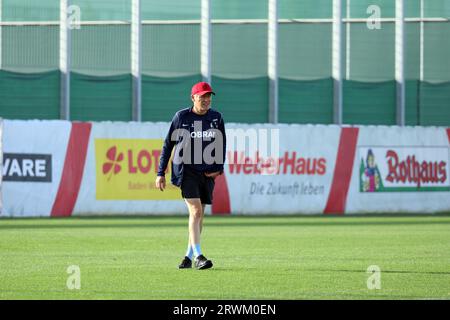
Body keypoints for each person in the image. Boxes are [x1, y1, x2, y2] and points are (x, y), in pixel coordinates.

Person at [155, 82, 226, 270]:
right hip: (186, 171)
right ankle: (198, 256)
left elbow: (221, 144)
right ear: (193, 98)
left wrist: (219, 168)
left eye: (208, 96)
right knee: (195, 212)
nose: (206, 100)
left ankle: (187, 257)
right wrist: (160, 172)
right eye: (202, 96)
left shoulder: (216, 118)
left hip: (206, 172)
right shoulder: (182, 117)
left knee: (199, 215)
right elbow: (167, 145)